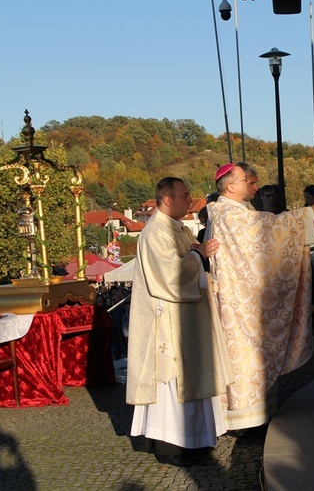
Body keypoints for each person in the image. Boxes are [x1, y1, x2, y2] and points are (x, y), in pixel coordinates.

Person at [206, 162, 314, 430]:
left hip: (247, 296)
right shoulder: (228, 214)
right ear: (230, 185)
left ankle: (258, 416)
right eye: (248, 182)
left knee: (255, 354)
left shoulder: (238, 210)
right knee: (246, 355)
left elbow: (267, 235)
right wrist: (310, 211)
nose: (254, 186)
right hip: (238, 301)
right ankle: (245, 421)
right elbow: (267, 230)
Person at [126, 177, 232, 467]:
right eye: (185, 196)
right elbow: (171, 274)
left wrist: (198, 255)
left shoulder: (178, 228)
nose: (189, 200)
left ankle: (195, 440)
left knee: (192, 377)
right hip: (168, 325)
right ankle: (171, 444)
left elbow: (192, 261)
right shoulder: (155, 232)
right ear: (167, 199)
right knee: (172, 383)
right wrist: (198, 255)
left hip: (187, 319)